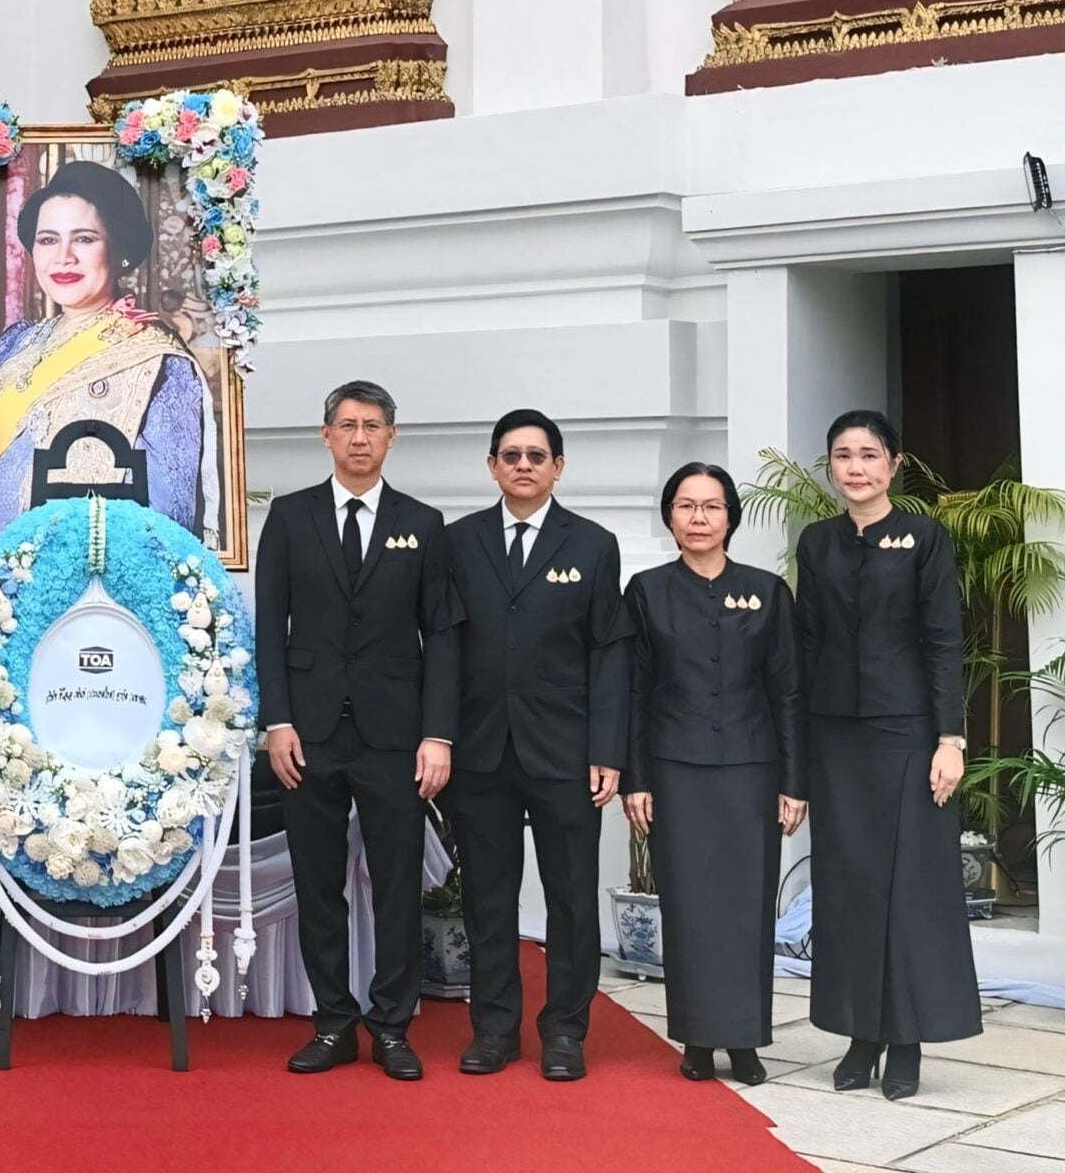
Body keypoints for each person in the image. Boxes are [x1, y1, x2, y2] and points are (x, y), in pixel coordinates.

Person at [255, 380, 462, 1081]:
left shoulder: (423, 524)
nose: (360, 438)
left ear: (391, 437)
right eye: (347, 425)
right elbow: (270, 626)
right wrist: (277, 720)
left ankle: (392, 1027)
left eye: (372, 426)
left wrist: (438, 734)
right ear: (327, 435)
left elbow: (442, 635)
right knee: (318, 886)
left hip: (395, 736)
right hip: (308, 735)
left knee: (397, 885)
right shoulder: (290, 517)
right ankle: (334, 1024)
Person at [442, 408, 632, 1082]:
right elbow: (444, 646)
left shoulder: (593, 544)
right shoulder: (457, 542)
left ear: (558, 467)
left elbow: (609, 653)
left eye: (536, 456)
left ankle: (565, 1032)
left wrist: (608, 749)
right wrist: (439, 736)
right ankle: (494, 1029)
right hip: (481, 749)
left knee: (571, 898)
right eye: (511, 455)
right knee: (487, 898)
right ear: (492, 465)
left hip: (566, 751)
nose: (523, 465)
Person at [799, 409, 980, 1101]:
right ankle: (861, 1035)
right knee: (848, 890)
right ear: (831, 466)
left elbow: (943, 640)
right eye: (843, 455)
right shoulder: (816, 542)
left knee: (910, 891)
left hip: (907, 735)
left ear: (895, 465)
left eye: (870, 454)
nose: (856, 468)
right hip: (835, 739)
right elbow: (806, 644)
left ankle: (905, 1041)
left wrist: (949, 739)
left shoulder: (925, 538)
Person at [622, 463, 805, 1086]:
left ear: (731, 517)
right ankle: (698, 1040)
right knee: (690, 907)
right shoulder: (646, 591)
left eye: (711, 506)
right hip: (676, 770)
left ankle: (745, 1039)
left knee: (747, 907)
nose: (698, 518)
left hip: (753, 771)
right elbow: (634, 693)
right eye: (686, 505)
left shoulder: (768, 591)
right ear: (669, 516)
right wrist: (636, 779)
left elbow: (787, 690)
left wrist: (795, 781)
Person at [0, 158, 219, 549]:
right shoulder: (14, 346)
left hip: (98, 579)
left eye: (83, 238)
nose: (63, 257)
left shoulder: (158, 361)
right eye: (48, 240)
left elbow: (168, 524)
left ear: (119, 249)